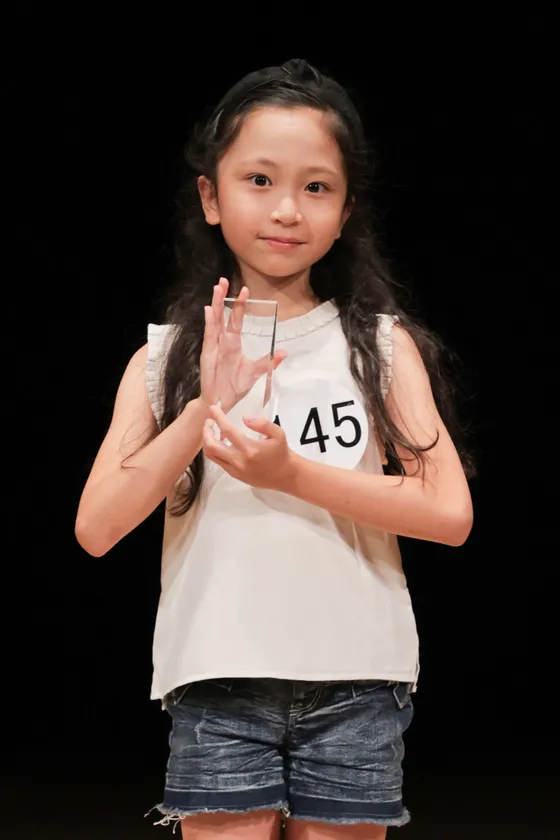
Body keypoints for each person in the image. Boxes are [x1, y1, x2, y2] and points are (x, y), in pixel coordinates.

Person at [75, 58, 474, 840]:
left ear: (346, 208)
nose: (287, 209)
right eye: (259, 180)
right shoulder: (164, 359)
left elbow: (448, 513)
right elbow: (96, 528)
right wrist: (201, 411)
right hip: (218, 677)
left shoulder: (380, 348)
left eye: (316, 187)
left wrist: (291, 474)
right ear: (210, 196)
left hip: (357, 677)